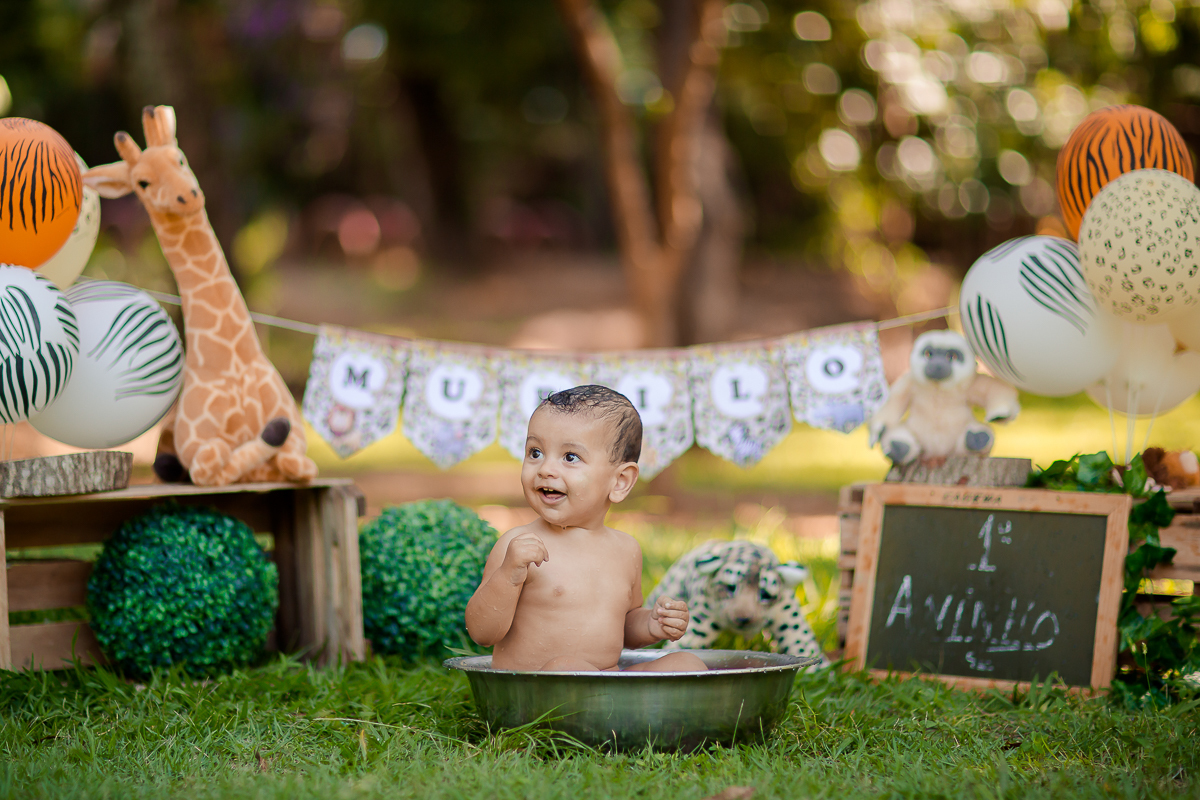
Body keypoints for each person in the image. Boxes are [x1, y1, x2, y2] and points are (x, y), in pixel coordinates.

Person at [466, 385, 708, 672]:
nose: (545, 469)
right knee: (565, 668)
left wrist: (651, 625)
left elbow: (624, 626)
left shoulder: (626, 550)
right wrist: (509, 574)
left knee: (687, 663)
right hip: (540, 690)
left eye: (570, 457)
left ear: (620, 482)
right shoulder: (517, 546)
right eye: (535, 452)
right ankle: (621, 710)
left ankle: (622, 707)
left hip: (605, 682)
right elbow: (482, 633)